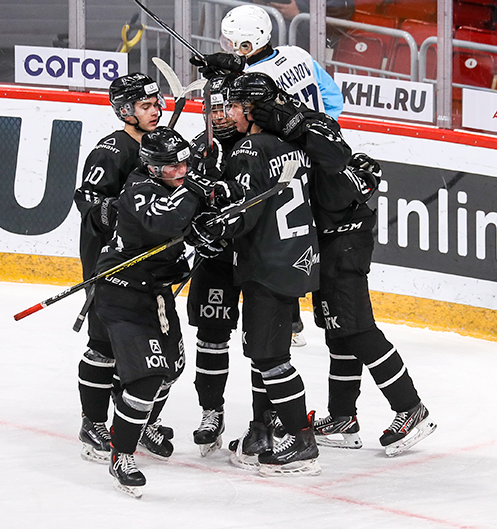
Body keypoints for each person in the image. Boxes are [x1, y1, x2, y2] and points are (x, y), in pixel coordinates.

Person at [201, 72, 351, 477]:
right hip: (295, 259)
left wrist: (211, 224)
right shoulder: (294, 143)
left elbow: (242, 216)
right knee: (266, 351)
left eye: (236, 106)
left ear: (253, 110)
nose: (230, 113)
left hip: (267, 263)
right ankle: (263, 431)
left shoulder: (248, 148)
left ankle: (301, 441)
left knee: (270, 357)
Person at [91, 127, 215, 497]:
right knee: (147, 377)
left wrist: (209, 232)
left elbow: (195, 224)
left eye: (184, 163)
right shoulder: (139, 188)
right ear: (151, 166)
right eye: (171, 166)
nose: (181, 171)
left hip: (156, 293)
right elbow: (164, 221)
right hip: (123, 294)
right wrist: (196, 191)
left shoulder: (178, 184)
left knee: (171, 369)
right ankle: (122, 455)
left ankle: (142, 423)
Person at [308, 152, 436, 456]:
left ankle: (411, 407)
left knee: (361, 335)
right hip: (329, 269)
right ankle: (342, 417)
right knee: (339, 339)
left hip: (343, 270)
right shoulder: (341, 200)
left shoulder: (351, 207)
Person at [73, 72, 164, 464]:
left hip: (145, 263)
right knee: (103, 344)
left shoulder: (156, 145)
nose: (155, 111)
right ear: (126, 111)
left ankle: (139, 421)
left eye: (156, 103)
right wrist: (118, 210)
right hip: (107, 263)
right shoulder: (112, 150)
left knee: (149, 346)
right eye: (145, 106)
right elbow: (88, 200)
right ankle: (93, 422)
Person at [185, 73, 247, 456]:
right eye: (214, 108)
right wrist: (197, 233)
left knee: (264, 344)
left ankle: (267, 417)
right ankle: (212, 411)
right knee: (211, 336)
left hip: (257, 258)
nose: (220, 115)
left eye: (227, 107)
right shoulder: (197, 148)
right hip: (216, 259)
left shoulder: (258, 142)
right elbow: (182, 202)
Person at [218, 4, 344, 118]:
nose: (229, 45)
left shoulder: (251, 79)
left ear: (247, 43)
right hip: (319, 133)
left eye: (230, 40)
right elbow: (333, 98)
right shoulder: (296, 53)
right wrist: (322, 129)